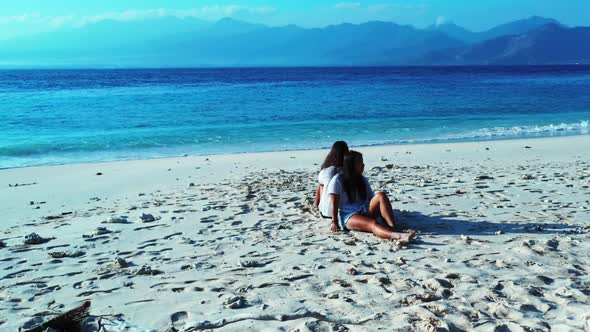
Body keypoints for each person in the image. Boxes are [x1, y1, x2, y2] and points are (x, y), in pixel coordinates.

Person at [328, 150, 416, 242]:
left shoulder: (362, 179)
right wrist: (334, 222)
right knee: (372, 224)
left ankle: (392, 227)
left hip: (364, 209)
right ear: (351, 165)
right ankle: (397, 236)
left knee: (381, 195)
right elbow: (334, 202)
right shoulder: (338, 180)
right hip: (349, 215)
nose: (363, 165)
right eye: (360, 163)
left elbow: (371, 199)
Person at [313, 141, 349, 218]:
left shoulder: (326, 171)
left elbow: (320, 185)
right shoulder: (349, 170)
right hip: (346, 210)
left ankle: (316, 204)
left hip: (327, 212)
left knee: (322, 184)